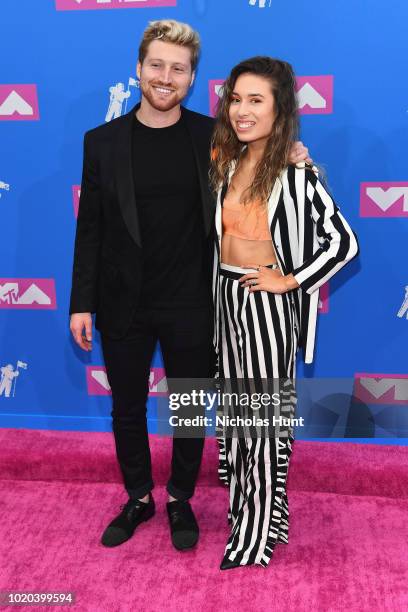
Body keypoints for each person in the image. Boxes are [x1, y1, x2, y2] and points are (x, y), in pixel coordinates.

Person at [69, 20, 310, 553]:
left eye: (178, 68)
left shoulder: (213, 138)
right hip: (121, 300)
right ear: (138, 70)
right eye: (156, 64)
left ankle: (179, 496)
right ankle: (138, 497)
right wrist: (80, 302)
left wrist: (296, 155)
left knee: (188, 407)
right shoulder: (101, 143)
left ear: (192, 78)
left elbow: (264, 163)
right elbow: (91, 229)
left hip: (194, 302)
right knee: (126, 408)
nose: (165, 76)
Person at [210, 56, 359, 569]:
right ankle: (266, 513)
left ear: (281, 109)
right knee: (238, 419)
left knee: (261, 421)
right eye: (236, 98)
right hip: (225, 302)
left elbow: (343, 244)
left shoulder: (296, 174)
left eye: (257, 100)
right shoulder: (225, 162)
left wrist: (289, 280)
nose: (242, 110)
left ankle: (252, 538)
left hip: (265, 307)